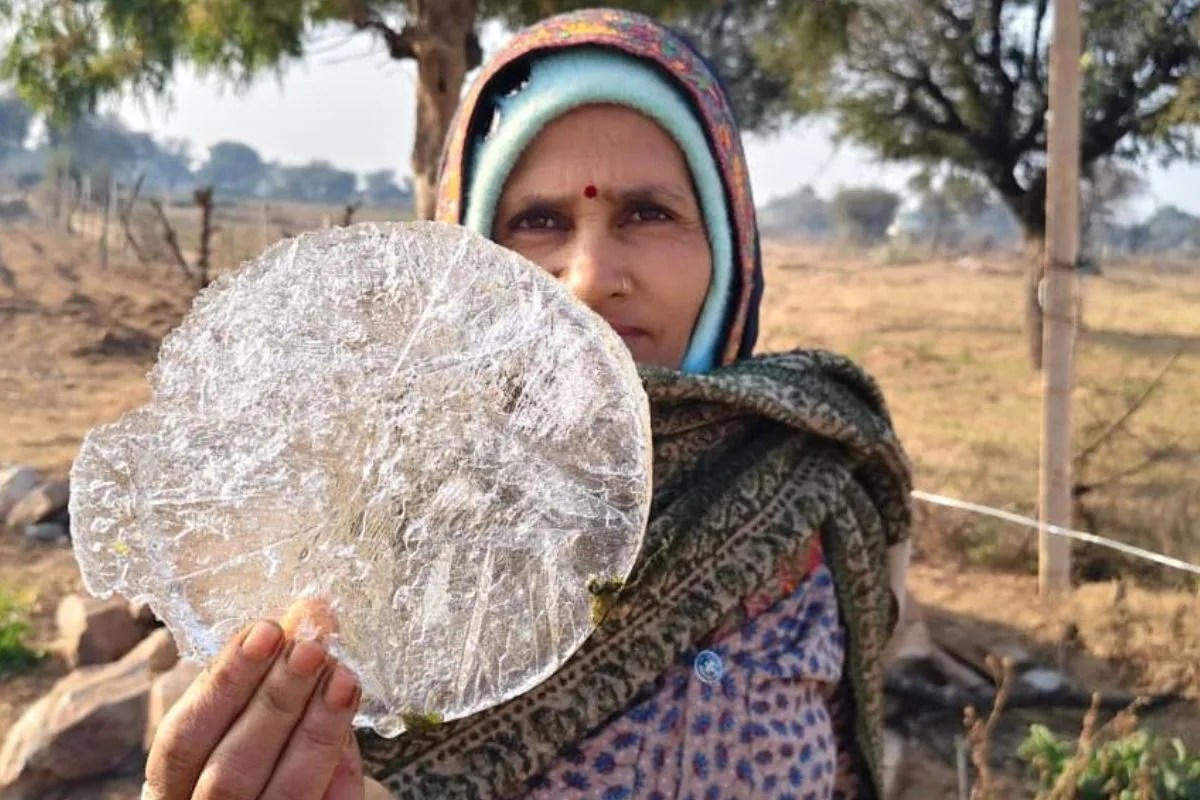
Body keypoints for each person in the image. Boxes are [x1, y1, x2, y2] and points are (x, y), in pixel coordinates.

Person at [141, 9, 911, 800]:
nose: (588, 276)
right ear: (467, 256)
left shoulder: (818, 476)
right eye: (538, 221)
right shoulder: (356, 544)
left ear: (728, 245)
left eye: (649, 213)